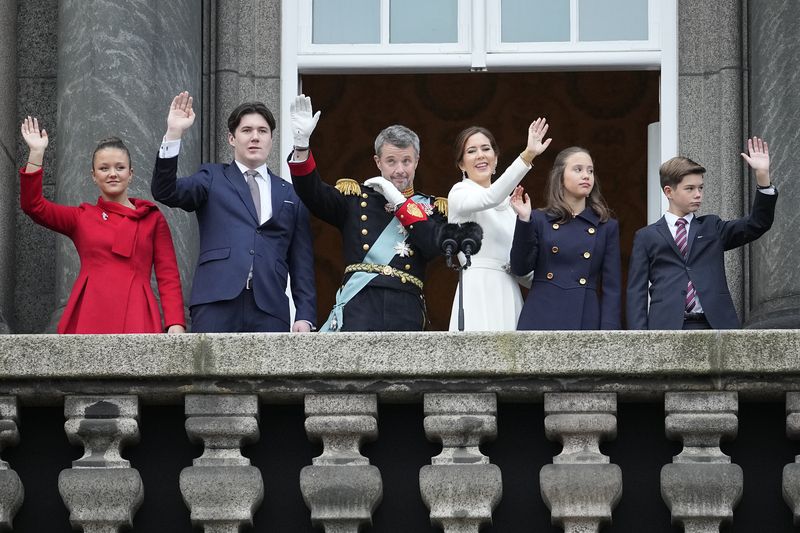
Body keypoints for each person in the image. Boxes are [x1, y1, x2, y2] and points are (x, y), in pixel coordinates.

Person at [151, 91, 316, 333]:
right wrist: (174, 134)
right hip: (215, 302)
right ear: (231, 138)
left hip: (270, 308)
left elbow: (301, 261)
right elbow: (165, 191)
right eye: (246, 130)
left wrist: (305, 316)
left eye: (262, 131)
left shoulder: (290, 194)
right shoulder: (212, 177)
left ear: (271, 139)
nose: (255, 137)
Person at [287, 94, 447, 331]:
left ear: (417, 161)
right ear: (377, 162)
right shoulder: (355, 198)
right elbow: (312, 193)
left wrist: (401, 203)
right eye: (391, 161)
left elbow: (433, 246)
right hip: (359, 306)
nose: (400, 170)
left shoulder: (433, 208)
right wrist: (301, 146)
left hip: (406, 309)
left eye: (406, 161)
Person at [19, 117, 185, 334]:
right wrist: (36, 153)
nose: (113, 174)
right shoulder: (82, 217)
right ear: (94, 176)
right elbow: (34, 206)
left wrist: (175, 324)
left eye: (120, 167)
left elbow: (168, 275)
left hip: (138, 312)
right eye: (104, 168)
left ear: (130, 174)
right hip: (90, 310)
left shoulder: (152, 218)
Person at [626, 137, 777, 330]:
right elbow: (636, 292)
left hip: (714, 325)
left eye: (700, 188)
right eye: (690, 188)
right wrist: (640, 337)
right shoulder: (646, 236)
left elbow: (757, 223)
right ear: (669, 191)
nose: (698, 194)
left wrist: (763, 177)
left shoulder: (712, 227)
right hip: (666, 327)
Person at [446, 120, 551, 331]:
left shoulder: (511, 207)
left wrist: (557, 284)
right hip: (477, 288)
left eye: (486, 149)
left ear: (495, 158)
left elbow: (521, 269)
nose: (480, 155)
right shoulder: (459, 193)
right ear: (461, 164)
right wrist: (527, 155)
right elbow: (490, 198)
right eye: (471, 151)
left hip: (508, 290)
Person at [509, 146, 621, 330]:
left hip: (585, 318)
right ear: (560, 177)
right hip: (541, 316)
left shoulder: (606, 226)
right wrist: (524, 220)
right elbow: (520, 268)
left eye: (590, 171)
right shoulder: (538, 219)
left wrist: (610, 333)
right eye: (578, 169)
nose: (586, 176)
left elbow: (612, 288)